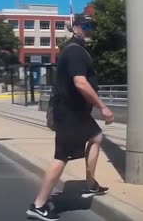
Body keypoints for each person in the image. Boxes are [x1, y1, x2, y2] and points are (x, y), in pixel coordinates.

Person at [26, 19, 114, 221]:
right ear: (76, 29)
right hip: (69, 113)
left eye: (93, 27)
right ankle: (38, 205)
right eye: (86, 27)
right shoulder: (74, 51)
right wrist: (102, 107)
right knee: (61, 157)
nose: (90, 31)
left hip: (75, 112)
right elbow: (80, 83)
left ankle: (90, 184)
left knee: (96, 137)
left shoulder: (77, 50)